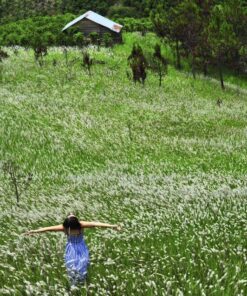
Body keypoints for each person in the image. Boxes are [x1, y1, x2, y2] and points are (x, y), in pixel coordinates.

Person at [25, 214, 121, 285]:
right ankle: (78, 283)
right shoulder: (80, 225)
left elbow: (48, 229)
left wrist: (34, 231)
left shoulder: (65, 227)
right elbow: (96, 224)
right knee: (77, 265)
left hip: (72, 248)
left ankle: (77, 283)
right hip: (79, 247)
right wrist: (113, 226)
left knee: (75, 265)